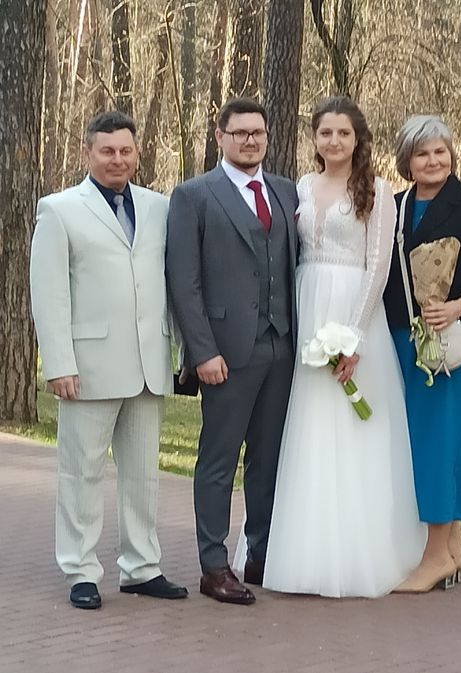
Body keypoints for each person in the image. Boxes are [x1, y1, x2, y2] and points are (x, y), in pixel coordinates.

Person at [237, 96, 427, 598]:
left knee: (348, 427)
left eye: (344, 133)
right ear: (314, 138)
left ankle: (354, 551)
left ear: (357, 138)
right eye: (326, 133)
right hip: (305, 307)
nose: (335, 141)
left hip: (352, 307)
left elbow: (378, 266)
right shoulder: (300, 186)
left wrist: (353, 336)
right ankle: (291, 547)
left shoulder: (377, 190)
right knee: (301, 424)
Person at [29, 111, 188, 609]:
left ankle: (141, 567)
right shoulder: (59, 210)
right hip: (88, 365)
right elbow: (49, 293)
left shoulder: (159, 207)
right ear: (87, 153)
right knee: (82, 473)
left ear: (137, 153)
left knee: (143, 475)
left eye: (125, 151)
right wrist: (59, 362)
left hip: (148, 363)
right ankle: (80, 570)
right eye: (107, 151)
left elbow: (174, 283)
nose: (117, 159)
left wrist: (182, 350)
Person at [166, 98, 299, 606]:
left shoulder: (285, 191)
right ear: (220, 137)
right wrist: (202, 351)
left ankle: (259, 554)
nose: (250, 140)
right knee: (219, 459)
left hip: (282, 346)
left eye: (257, 133)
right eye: (240, 133)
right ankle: (213, 565)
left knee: (268, 458)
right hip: (225, 352)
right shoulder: (194, 195)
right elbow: (184, 282)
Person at [383, 115, 461, 593]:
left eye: (440, 151)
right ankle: (454, 546)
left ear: (452, 155)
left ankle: (435, 556)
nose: (433, 160)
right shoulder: (394, 208)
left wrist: (457, 307)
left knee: (437, 442)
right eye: (422, 153)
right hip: (401, 337)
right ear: (407, 160)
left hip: (448, 342)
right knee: (433, 439)